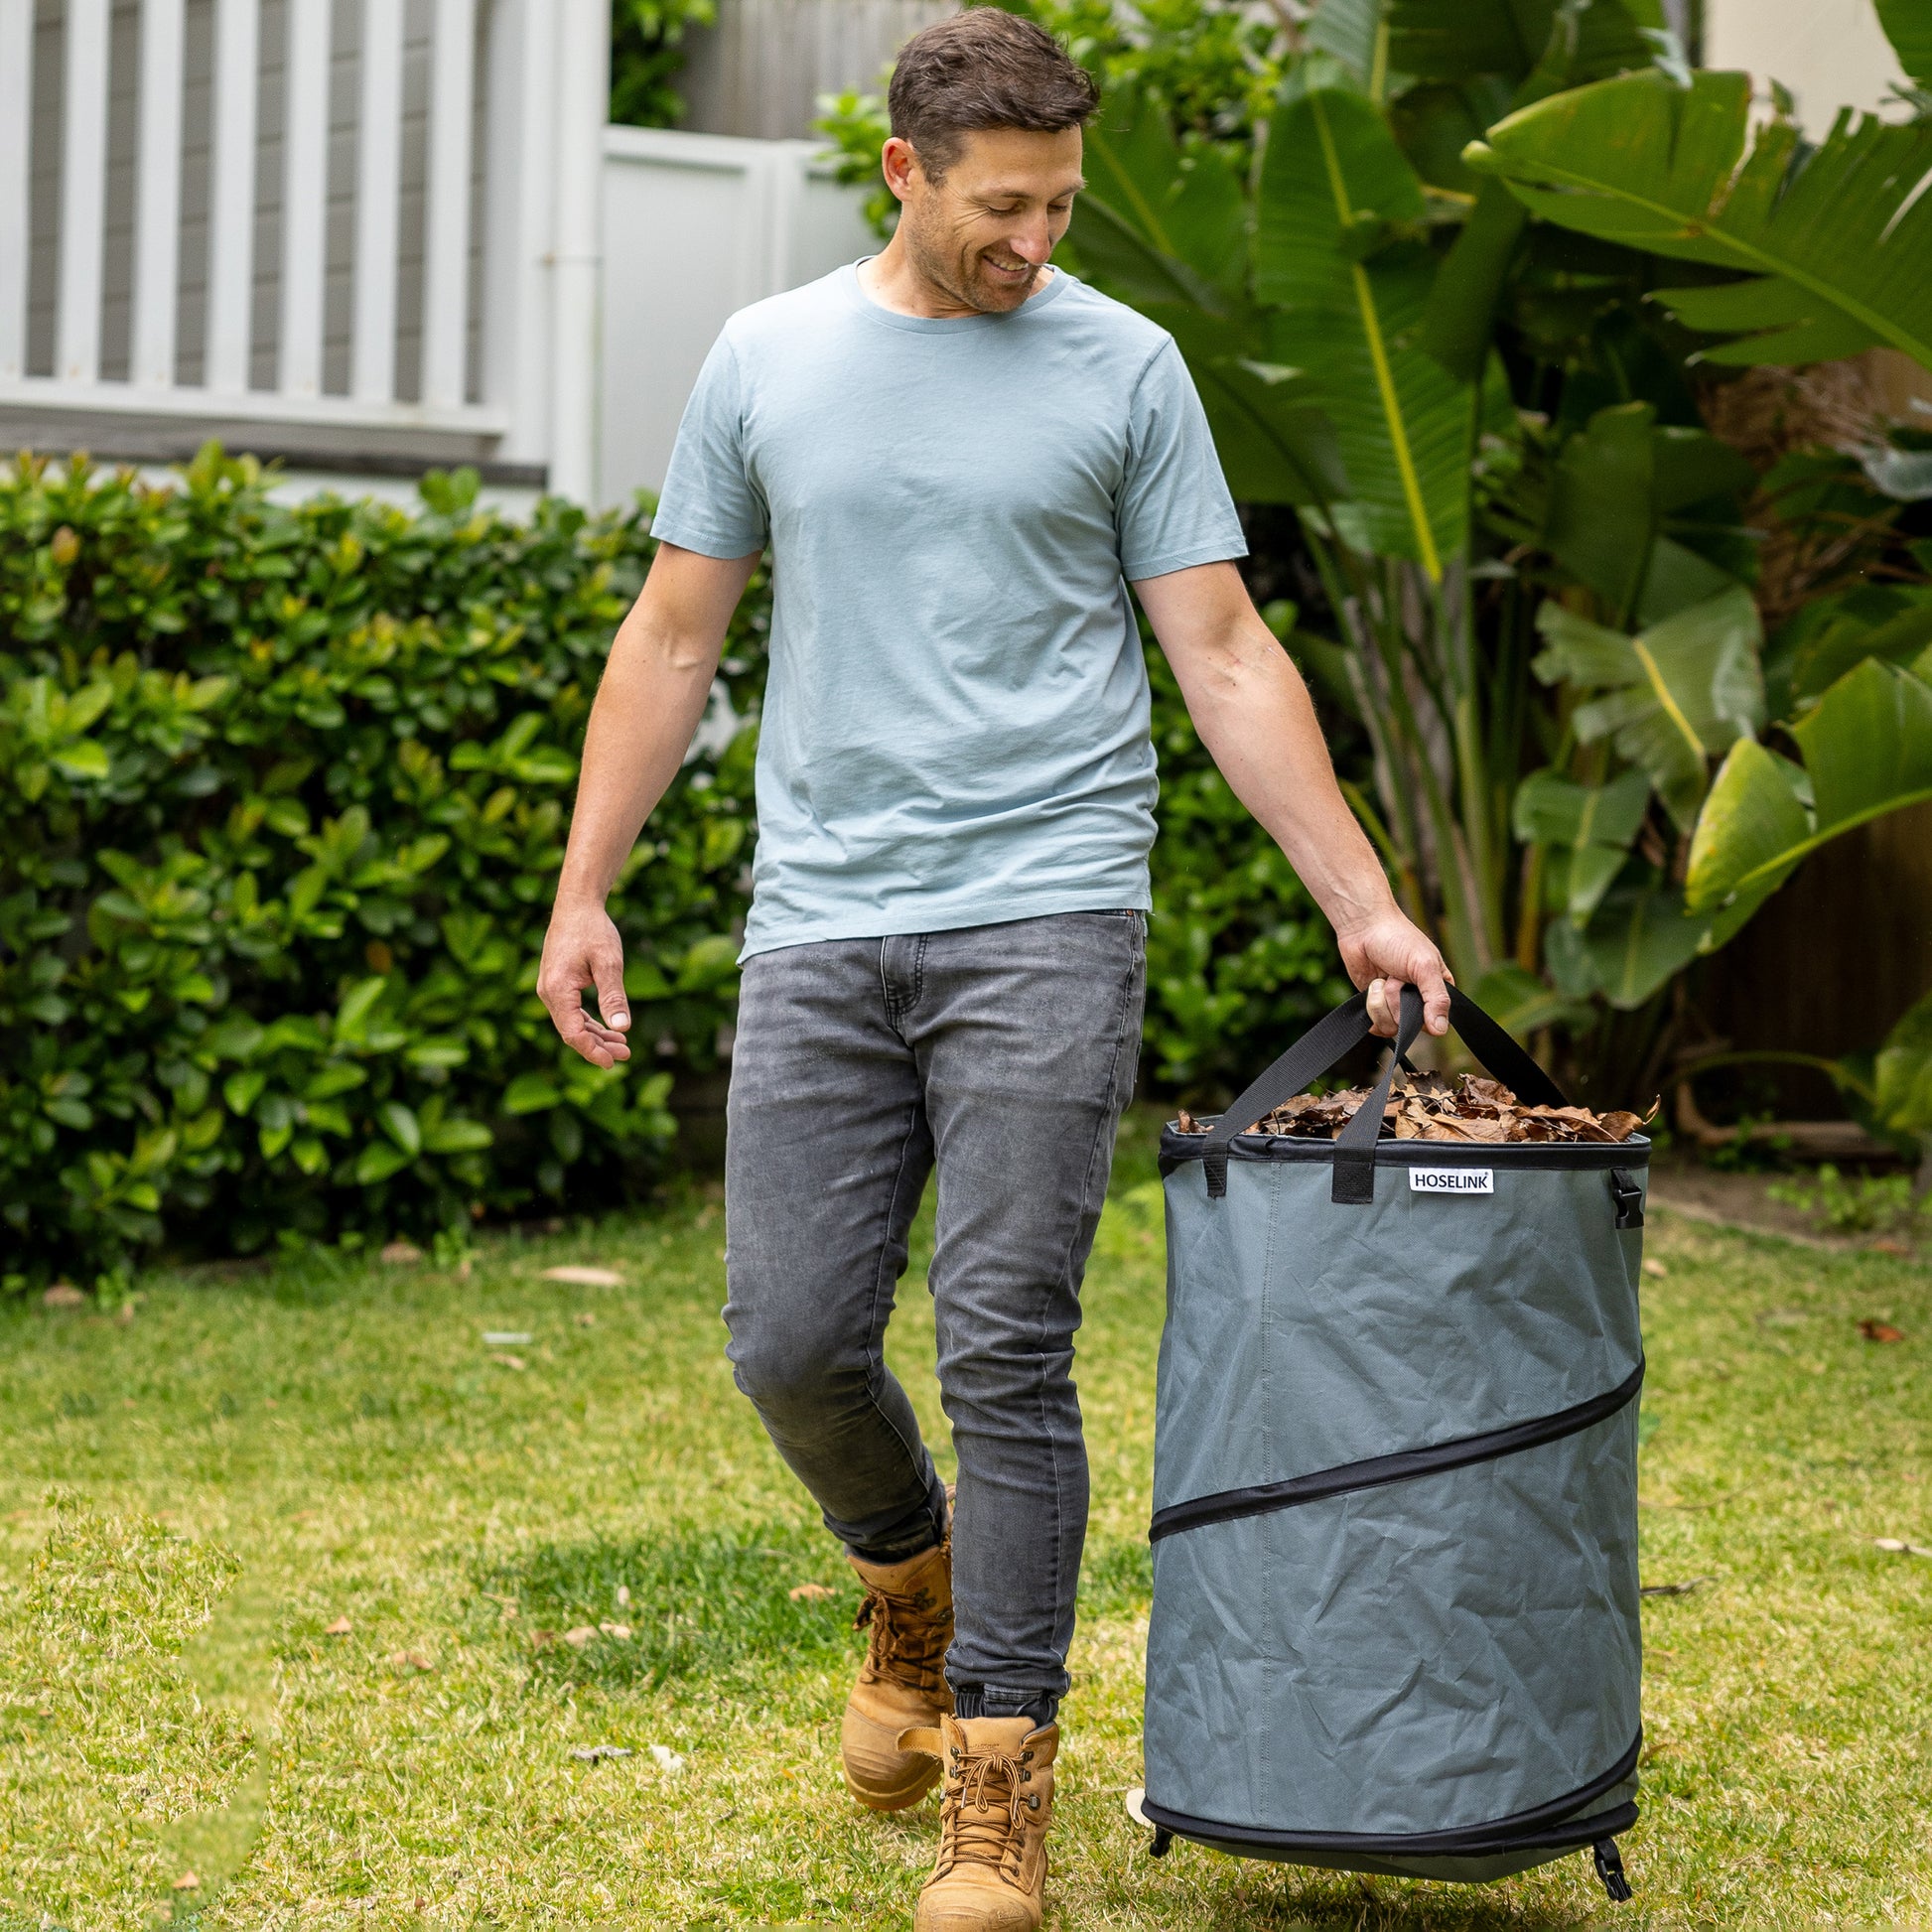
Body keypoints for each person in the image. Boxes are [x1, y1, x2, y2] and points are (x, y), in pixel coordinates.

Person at [538, 10, 1450, 1926]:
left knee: (1005, 1345)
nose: (1035, 240)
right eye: (1002, 207)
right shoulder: (768, 359)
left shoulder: (1123, 365)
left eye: (1059, 202)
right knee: (787, 1340)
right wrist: (586, 889)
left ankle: (998, 1786)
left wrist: (1361, 897)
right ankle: (907, 1575)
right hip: (821, 921)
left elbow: (1219, 652)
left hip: (1049, 908)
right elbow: (673, 637)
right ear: (905, 172)